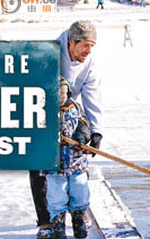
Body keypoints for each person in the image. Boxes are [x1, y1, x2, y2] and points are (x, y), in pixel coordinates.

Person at [30, 20, 103, 239]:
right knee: (41, 169)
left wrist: (95, 131)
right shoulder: (49, 54)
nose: (89, 51)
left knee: (75, 171)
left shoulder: (89, 63)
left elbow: (92, 96)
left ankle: (78, 213)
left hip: (69, 113)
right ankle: (46, 222)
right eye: (85, 45)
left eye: (92, 46)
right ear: (72, 43)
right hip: (40, 112)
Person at [46, 77, 91, 239]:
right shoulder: (42, 109)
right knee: (57, 194)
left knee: (80, 191)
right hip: (53, 164)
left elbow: (84, 125)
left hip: (75, 161)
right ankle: (58, 224)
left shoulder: (75, 108)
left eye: (64, 93)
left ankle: (79, 220)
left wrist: (81, 138)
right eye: (57, 93)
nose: (61, 97)